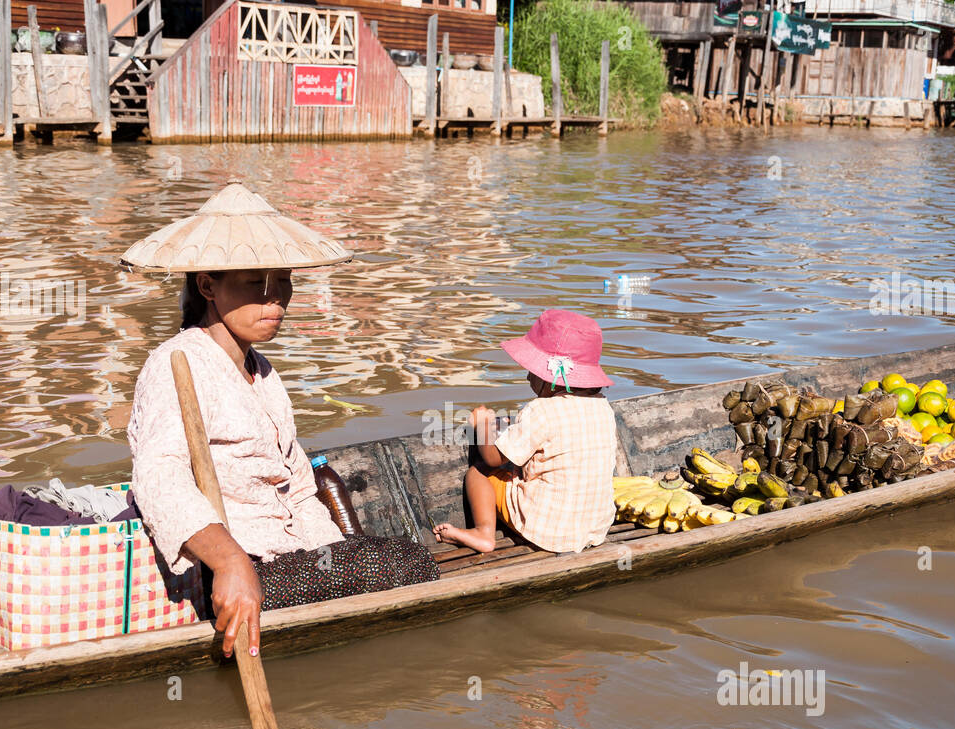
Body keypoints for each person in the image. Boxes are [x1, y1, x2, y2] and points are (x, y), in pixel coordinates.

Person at [124, 183, 439, 660]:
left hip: (291, 553)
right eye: (255, 284)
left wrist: (335, 552)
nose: (275, 302)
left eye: (283, 283)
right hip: (239, 567)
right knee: (405, 564)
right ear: (208, 286)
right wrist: (230, 562)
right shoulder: (177, 364)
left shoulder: (263, 372)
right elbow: (158, 479)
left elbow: (298, 485)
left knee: (406, 557)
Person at [433, 309, 617, 554]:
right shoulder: (603, 408)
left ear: (553, 379)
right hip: (595, 528)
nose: (528, 375)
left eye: (534, 370)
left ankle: (483, 533)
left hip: (548, 530)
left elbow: (492, 458)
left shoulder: (541, 409)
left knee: (478, 472)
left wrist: (482, 426)